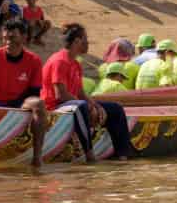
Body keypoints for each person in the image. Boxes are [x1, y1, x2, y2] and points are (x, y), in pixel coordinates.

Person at [44, 22, 134, 161]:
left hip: (73, 104)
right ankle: (90, 155)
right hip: (55, 106)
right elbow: (60, 95)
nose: (88, 43)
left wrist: (96, 106)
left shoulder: (76, 63)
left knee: (115, 109)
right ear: (77, 41)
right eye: (86, 40)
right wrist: (88, 107)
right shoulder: (59, 61)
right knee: (81, 106)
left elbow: (80, 92)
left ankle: (122, 156)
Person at [0, 19, 48, 169]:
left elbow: (34, 92)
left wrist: (17, 112)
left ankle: (37, 158)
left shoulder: (34, 60)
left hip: (20, 101)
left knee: (39, 104)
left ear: (23, 37)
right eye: (5, 38)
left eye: (13, 38)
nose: (8, 42)